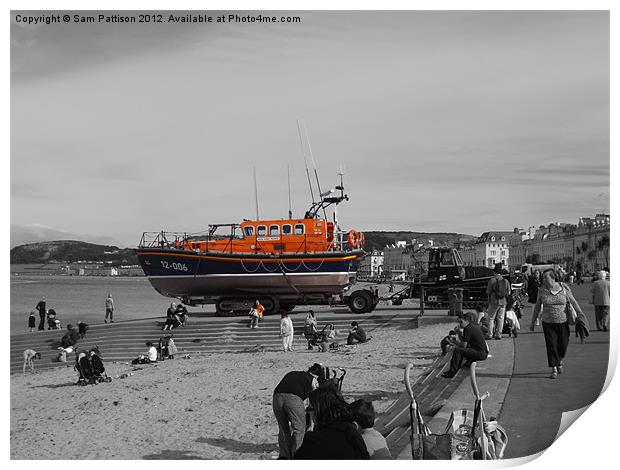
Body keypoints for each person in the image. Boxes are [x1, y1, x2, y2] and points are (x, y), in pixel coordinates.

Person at [530, 269, 585, 379]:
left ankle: (559, 361)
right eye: (543, 277)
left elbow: (573, 301)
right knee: (551, 345)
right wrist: (533, 322)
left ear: (553, 278)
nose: (543, 279)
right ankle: (554, 368)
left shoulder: (563, 288)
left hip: (563, 321)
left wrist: (580, 313)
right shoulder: (541, 290)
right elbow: (537, 307)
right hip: (547, 322)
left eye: (546, 277)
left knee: (563, 344)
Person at [294, 385, 370, 460]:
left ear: (319, 411)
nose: (308, 413)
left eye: (309, 409)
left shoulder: (313, 441)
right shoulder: (354, 435)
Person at [272, 364, 322, 459]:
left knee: (283, 429)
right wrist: (311, 425)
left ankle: (284, 456)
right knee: (299, 429)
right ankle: (297, 455)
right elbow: (313, 403)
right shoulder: (313, 379)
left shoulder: (293, 373)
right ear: (316, 376)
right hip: (293, 398)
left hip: (276, 397)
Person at [441, 311, 489, 379]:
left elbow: (463, 345)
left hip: (481, 353)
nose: (460, 324)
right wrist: (459, 333)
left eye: (461, 322)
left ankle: (452, 371)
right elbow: (464, 342)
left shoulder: (468, 328)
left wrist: (453, 342)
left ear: (467, 321)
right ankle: (454, 370)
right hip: (482, 352)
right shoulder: (472, 327)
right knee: (460, 350)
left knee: (457, 350)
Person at [486, 264, 511, 340]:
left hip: (494, 301)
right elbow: (509, 292)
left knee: (491, 318)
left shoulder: (492, 280)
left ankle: (490, 334)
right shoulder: (505, 281)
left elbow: (488, 291)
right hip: (503, 302)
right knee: (500, 318)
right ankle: (498, 334)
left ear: (494, 272)